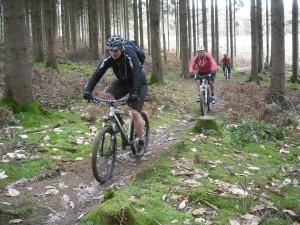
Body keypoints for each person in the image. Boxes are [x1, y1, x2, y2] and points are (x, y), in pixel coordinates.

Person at [83, 35, 148, 154]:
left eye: (116, 50)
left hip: (139, 82)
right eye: (110, 50)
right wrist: (88, 91)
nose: (113, 53)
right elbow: (97, 74)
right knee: (108, 94)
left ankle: (141, 141)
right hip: (123, 81)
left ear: (121, 48)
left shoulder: (130, 55)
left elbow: (137, 74)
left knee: (135, 113)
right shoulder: (109, 58)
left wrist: (135, 93)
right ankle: (118, 122)